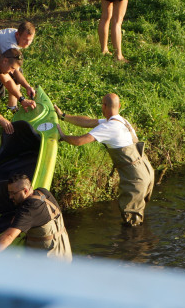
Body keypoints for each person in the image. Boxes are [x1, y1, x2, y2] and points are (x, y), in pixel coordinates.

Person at [53, 93, 154, 226]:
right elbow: (88, 121)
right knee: (139, 215)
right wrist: (63, 116)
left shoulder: (108, 127)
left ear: (104, 106)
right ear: (119, 106)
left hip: (135, 177)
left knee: (131, 221)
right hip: (147, 171)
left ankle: (133, 245)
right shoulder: (120, 120)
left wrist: (62, 136)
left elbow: (79, 141)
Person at [0, 174, 72, 262]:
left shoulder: (28, 211)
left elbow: (9, 236)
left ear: (25, 190)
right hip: (65, 253)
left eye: (13, 193)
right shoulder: (43, 192)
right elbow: (39, 205)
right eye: (9, 193)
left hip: (49, 261)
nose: (10, 197)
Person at [0, 21, 36, 109]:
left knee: (12, 71)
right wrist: (27, 87)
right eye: (25, 39)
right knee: (4, 75)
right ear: (17, 35)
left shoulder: (17, 34)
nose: (27, 43)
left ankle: (11, 107)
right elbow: (14, 71)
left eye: (30, 40)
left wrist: (27, 86)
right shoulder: (9, 44)